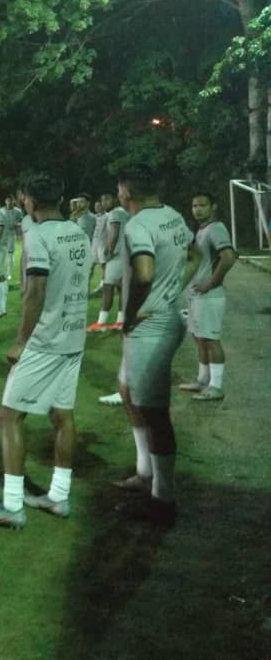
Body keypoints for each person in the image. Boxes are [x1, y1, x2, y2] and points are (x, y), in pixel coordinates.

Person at [0, 173, 90, 529]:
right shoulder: (76, 231)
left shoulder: (39, 235)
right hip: (73, 337)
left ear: (31, 201)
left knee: (10, 416)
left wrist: (20, 340)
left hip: (46, 341)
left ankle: (11, 506)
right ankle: (58, 497)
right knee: (62, 415)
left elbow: (35, 291)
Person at [110, 164, 196, 525]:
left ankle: (163, 499)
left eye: (119, 189)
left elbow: (144, 273)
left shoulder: (138, 225)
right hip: (165, 318)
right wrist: (174, 289)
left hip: (152, 327)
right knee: (127, 388)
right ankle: (145, 472)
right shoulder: (172, 215)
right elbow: (195, 256)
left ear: (127, 193)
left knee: (155, 413)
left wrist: (132, 313)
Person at [179, 191, 237, 401]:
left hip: (210, 296)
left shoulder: (216, 228)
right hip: (198, 296)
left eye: (203, 205)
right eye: (194, 206)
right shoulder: (201, 231)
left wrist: (211, 283)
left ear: (214, 206)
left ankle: (216, 387)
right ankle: (202, 380)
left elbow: (229, 257)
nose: (197, 209)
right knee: (199, 338)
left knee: (211, 339)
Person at [89, 192, 129, 334]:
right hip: (127, 255)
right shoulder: (124, 211)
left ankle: (101, 323)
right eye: (102, 199)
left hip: (117, 256)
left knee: (107, 288)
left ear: (114, 199)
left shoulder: (114, 213)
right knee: (122, 288)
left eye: (106, 199)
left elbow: (115, 230)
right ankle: (120, 321)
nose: (104, 202)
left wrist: (109, 248)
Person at [90, 198, 108, 295]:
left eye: (99, 206)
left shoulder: (108, 216)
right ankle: (85, 287)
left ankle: (102, 286)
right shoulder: (94, 217)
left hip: (103, 244)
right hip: (94, 244)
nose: (97, 207)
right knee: (90, 265)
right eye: (96, 206)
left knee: (103, 266)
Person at [5, 195, 22, 281]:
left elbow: (21, 222)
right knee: (0, 254)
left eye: (11, 201)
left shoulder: (18, 211)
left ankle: (9, 273)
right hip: (2, 235)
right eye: (8, 201)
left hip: (11, 235)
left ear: (13, 202)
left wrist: (17, 224)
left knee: (10, 255)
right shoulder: (2, 211)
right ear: (5, 201)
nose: (9, 203)